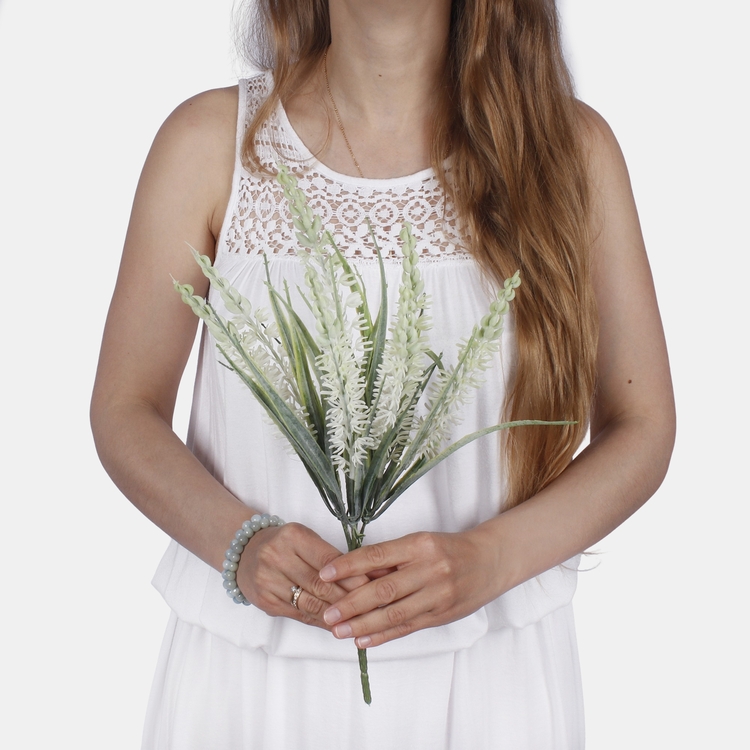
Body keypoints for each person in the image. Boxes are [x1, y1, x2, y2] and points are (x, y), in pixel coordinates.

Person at [91, 0, 675, 747]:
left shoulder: (566, 151)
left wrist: (490, 560)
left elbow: (643, 427)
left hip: (488, 684)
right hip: (250, 680)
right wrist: (240, 543)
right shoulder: (212, 143)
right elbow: (125, 406)